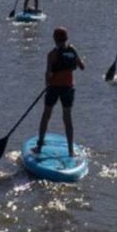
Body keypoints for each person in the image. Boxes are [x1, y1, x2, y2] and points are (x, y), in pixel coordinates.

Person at [34, 27, 84, 157]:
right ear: (66, 39)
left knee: (46, 115)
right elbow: (82, 67)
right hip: (68, 88)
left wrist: (47, 83)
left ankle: (39, 146)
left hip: (53, 88)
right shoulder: (72, 50)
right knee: (67, 118)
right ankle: (70, 151)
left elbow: (48, 74)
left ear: (54, 40)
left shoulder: (51, 54)